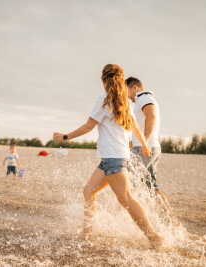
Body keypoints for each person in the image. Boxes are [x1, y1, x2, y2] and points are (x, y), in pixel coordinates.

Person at [53, 64, 163, 248]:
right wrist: (144, 144)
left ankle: (154, 237)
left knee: (126, 198)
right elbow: (135, 127)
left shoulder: (104, 101)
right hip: (111, 159)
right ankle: (86, 234)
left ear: (104, 81)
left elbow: (88, 126)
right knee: (88, 192)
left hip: (114, 159)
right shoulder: (125, 102)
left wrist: (65, 137)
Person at [126, 76, 181, 227]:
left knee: (124, 182)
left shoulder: (143, 97)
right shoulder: (144, 98)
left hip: (145, 149)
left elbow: (151, 116)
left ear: (135, 87)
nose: (128, 97)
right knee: (152, 187)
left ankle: (133, 220)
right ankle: (172, 220)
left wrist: (144, 142)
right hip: (150, 148)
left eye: (127, 92)